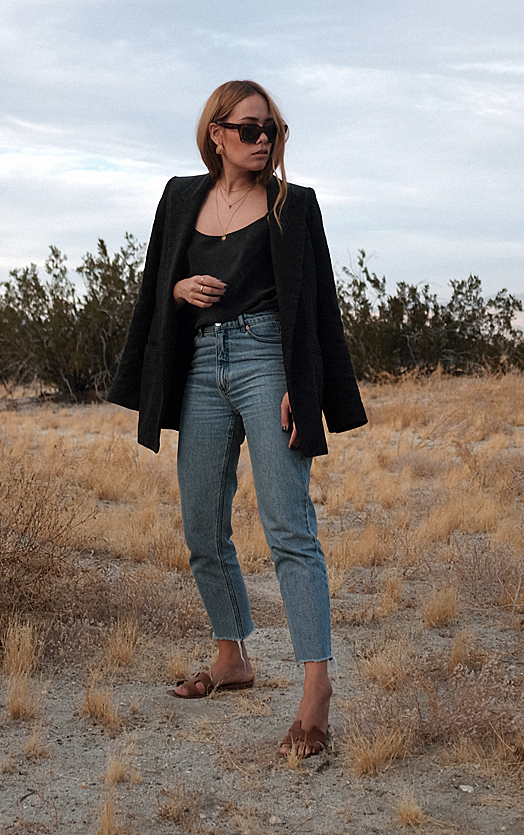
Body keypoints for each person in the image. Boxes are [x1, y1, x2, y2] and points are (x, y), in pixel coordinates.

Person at [108, 80, 367, 756]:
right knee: (201, 525)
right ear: (216, 133)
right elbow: (155, 280)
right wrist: (177, 287)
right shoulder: (181, 197)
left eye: (272, 131)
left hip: (265, 362)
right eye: (250, 129)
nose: (263, 141)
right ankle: (233, 658)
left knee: (289, 528)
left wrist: (301, 388)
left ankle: (316, 694)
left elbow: (316, 306)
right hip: (199, 364)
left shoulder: (294, 206)